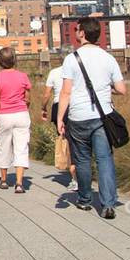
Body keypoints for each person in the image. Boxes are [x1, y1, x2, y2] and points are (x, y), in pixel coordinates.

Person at [57, 17, 127, 218]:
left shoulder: (72, 59)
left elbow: (65, 92)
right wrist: (106, 89)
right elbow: (122, 89)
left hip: (78, 117)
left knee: (82, 160)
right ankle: (108, 204)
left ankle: (85, 199)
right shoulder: (108, 58)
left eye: (77, 29)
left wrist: (60, 118)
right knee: (104, 159)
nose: (75, 31)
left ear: (82, 33)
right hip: (102, 116)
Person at [0, 47, 32, 193]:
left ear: (0, 61)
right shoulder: (23, 76)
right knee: (21, 148)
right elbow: (27, 98)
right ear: (15, 59)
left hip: (5, 116)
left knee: (4, 147)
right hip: (21, 114)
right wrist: (24, 105)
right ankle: (19, 183)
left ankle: (3, 180)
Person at [40, 55, 75, 186]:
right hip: (74, 105)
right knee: (75, 142)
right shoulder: (77, 70)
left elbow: (46, 94)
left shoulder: (54, 72)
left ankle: (73, 173)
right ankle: (76, 174)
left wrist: (43, 108)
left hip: (58, 106)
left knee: (65, 140)